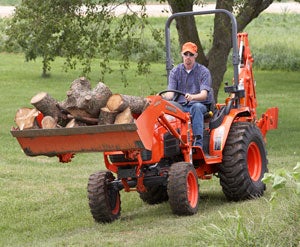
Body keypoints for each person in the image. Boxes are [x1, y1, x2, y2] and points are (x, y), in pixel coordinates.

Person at [164, 42, 214, 147]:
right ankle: (170, 141)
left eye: (191, 54)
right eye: (186, 54)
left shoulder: (203, 72)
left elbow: (204, 95)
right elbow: (170, 94)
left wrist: (192, 97)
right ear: (182, 54)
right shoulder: (175, 71)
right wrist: (161, 98)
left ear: (195, 55)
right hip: (181, 106)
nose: (188, 57)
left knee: (196, 107)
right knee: (167, 108)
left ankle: (198, 143)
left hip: (199, 104)